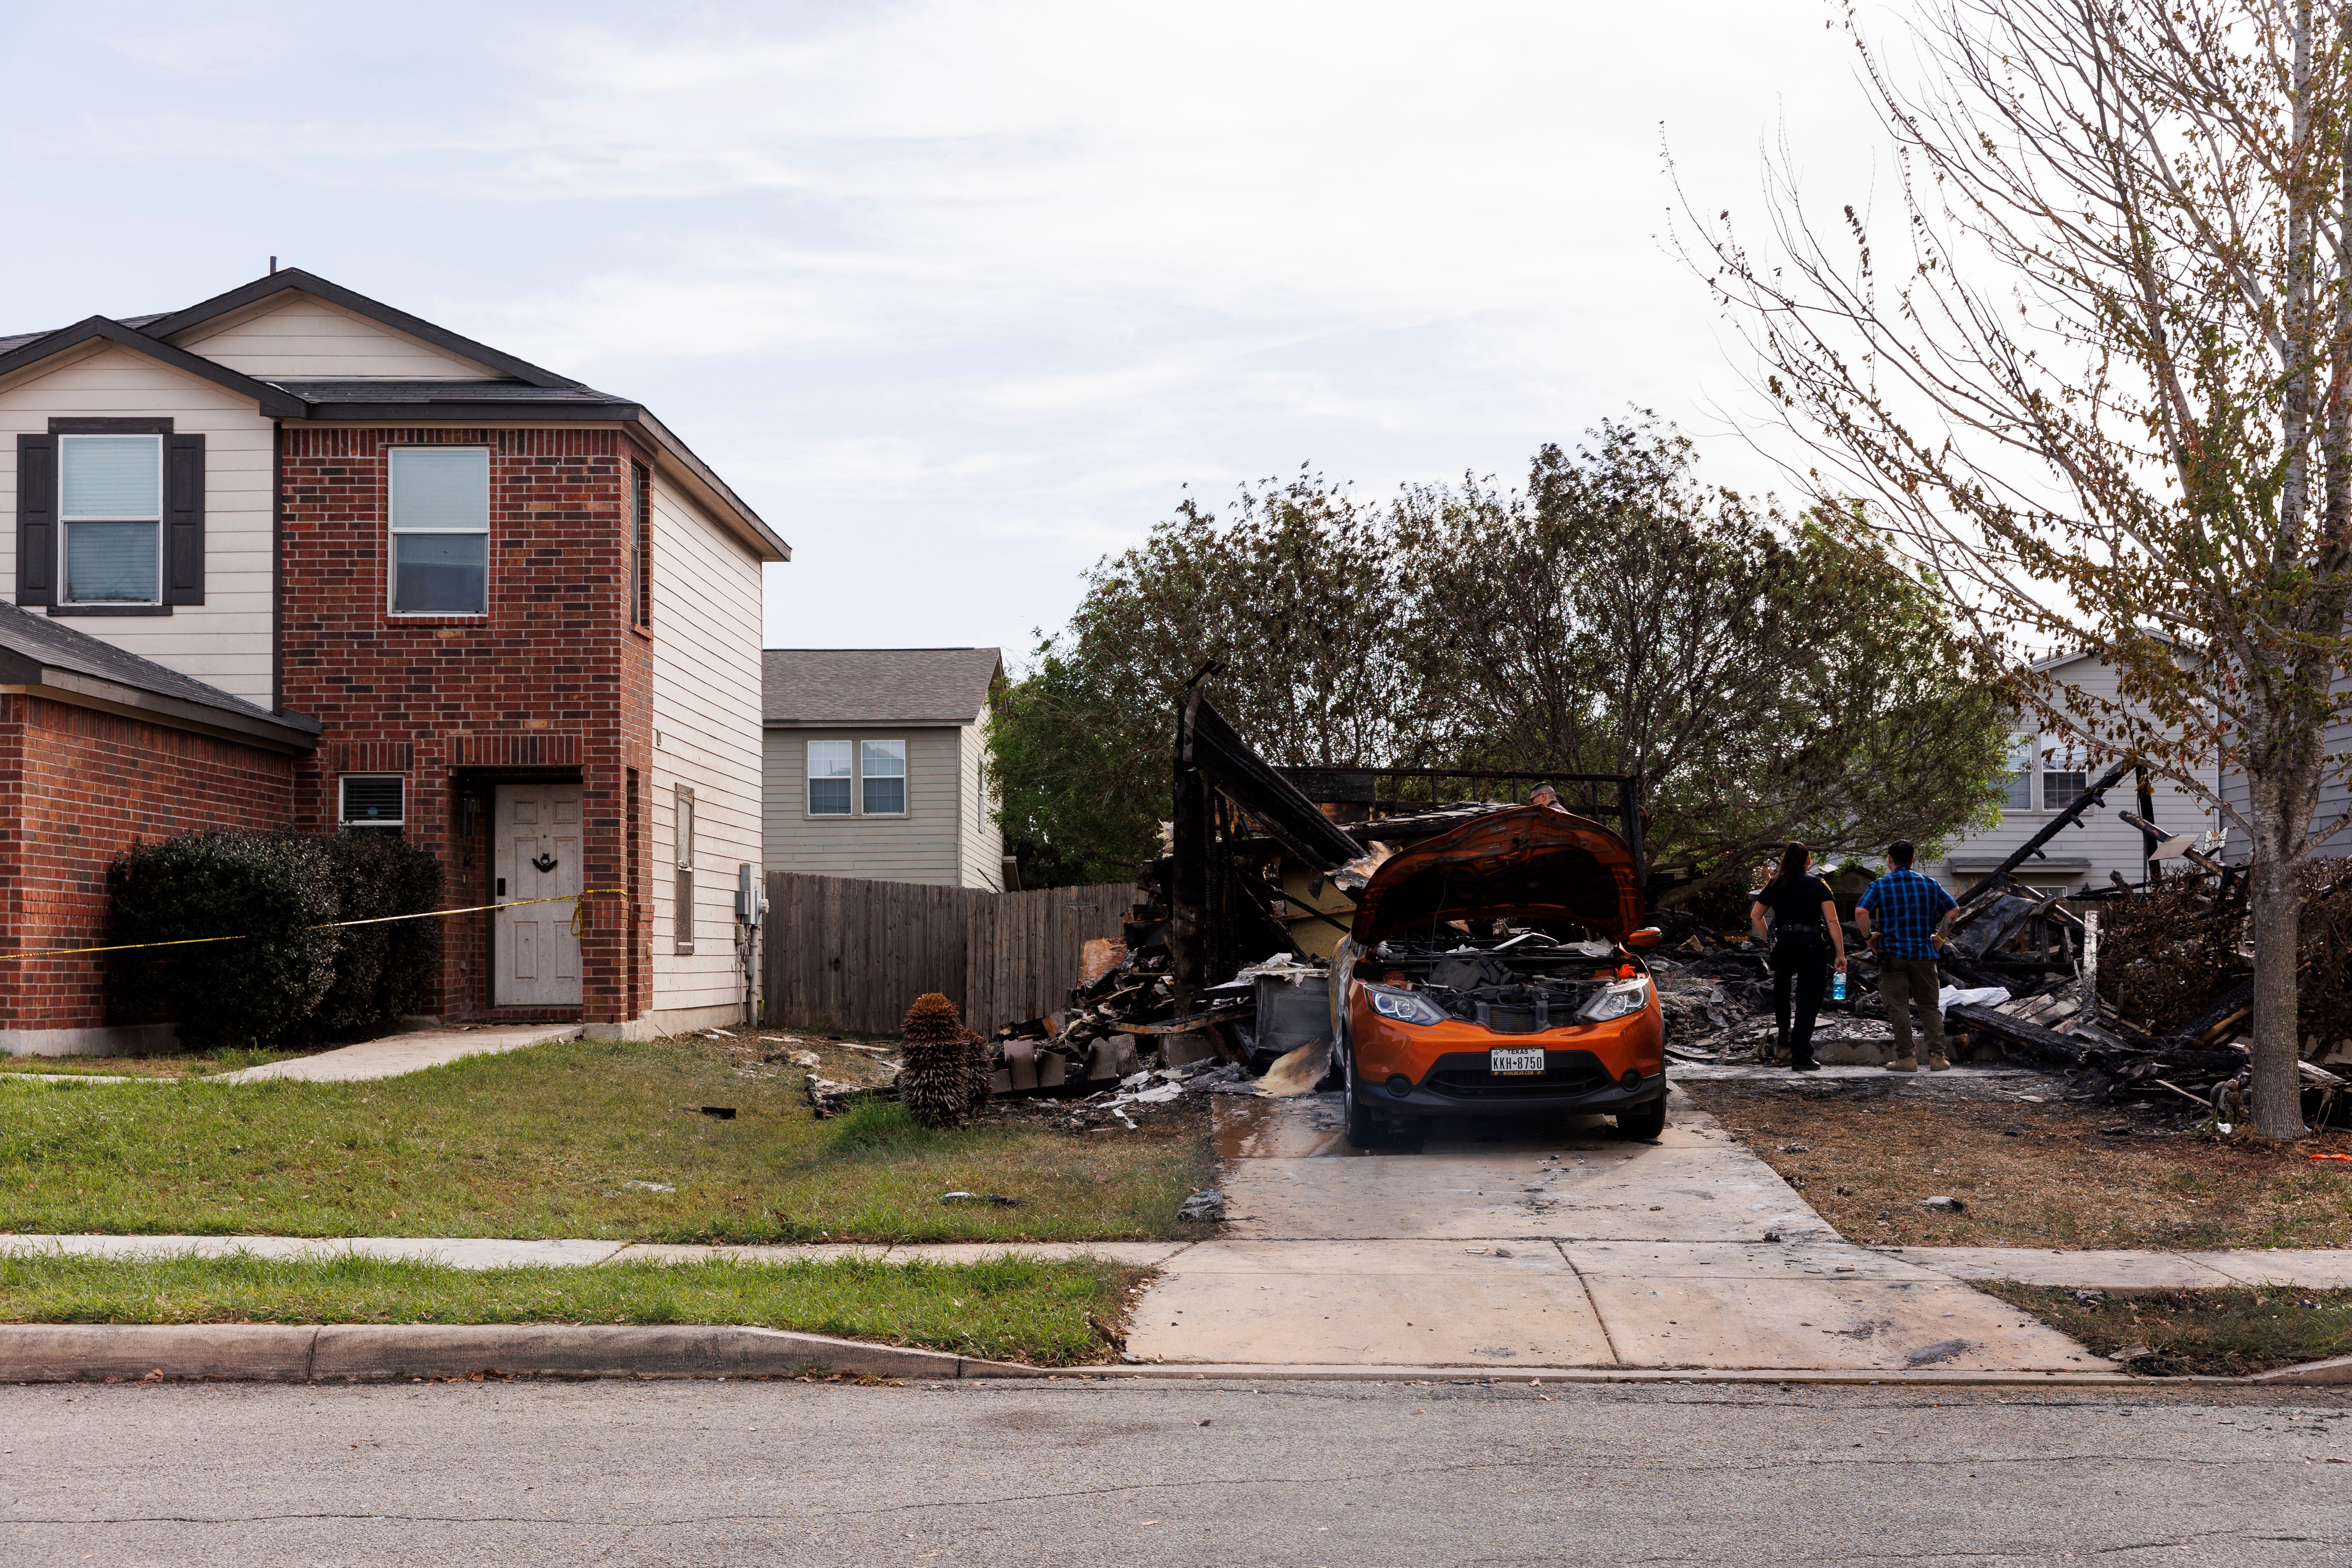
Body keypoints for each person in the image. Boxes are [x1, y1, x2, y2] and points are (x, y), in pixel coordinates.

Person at [1853, 839, 1960, 1072]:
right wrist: (1940, 938)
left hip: (1893, 955)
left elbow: (1861, 911)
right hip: (1924, 955)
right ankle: (1938, 1058)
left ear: (1889, 859)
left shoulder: (1881, 885)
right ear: (1913, 860)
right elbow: (1953, 909)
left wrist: (1868, 937)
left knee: (1899, 1008)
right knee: (1929, 1007)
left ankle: (1906, 1059)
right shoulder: (1930, 884)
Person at [1749, 842, 1845, 1071]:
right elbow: (1833, 921)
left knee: (1782, 990)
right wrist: (1840, 954)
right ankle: (1802, 1057)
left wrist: (1768, 941)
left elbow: (1756, 915)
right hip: (1812, 945)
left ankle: (1783, 1034)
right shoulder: (1818, 883)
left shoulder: (1775, 884)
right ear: (1808, 861)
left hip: (1784, 944)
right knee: (1808, 999)